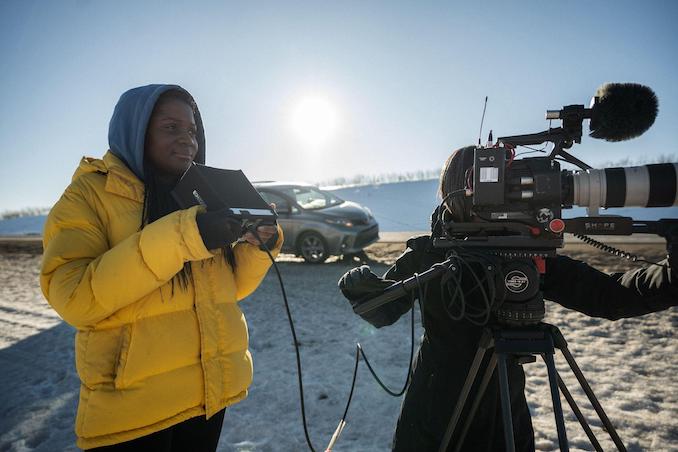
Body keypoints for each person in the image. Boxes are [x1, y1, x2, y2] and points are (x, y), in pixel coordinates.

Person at [339, 146, 678, 452]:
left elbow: (612, 298)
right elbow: (381, 311)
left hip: (500, 419)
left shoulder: (527, 256)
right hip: (436, 417)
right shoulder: (429, 255)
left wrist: (672, 272)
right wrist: (361, 287)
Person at [40, 84, 283, 451]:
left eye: (192, 130)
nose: (188, 140)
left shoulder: (201, 197)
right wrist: (183, 236)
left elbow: (230, 291)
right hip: (133, 411)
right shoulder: (88, 195)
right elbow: (73, 297)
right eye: (171, 127)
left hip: (207, 397)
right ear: (135, 132)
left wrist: (255, 247)